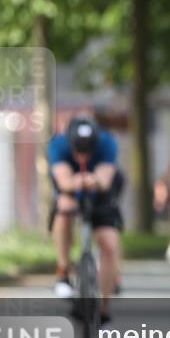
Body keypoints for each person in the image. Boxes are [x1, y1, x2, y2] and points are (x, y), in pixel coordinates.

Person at [48, 115, 124, 324]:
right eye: (78, 152)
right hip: (71, 190)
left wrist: (94, 180)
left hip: (100, 193)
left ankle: (104, 310)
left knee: (109, 244)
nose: (83, 157)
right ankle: (63, 271)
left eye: (88, 152)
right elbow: (63, 181)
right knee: (63, 208)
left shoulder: (107, 142)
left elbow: (105, 179)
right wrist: (76, 183)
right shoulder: (58, 145)